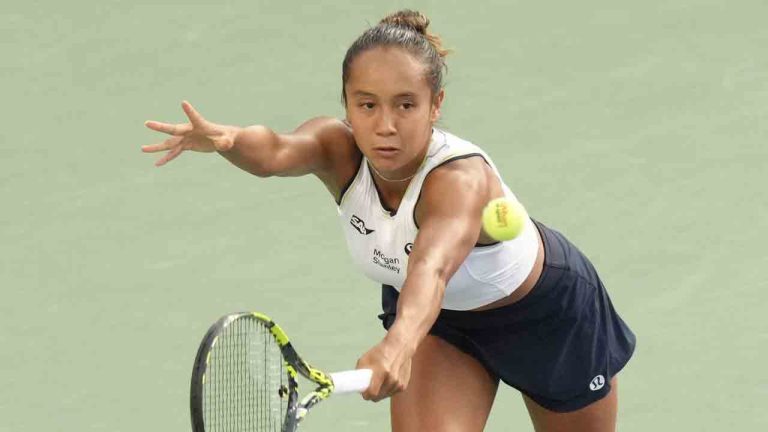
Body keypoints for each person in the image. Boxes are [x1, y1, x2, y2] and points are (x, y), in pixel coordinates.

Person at [142, 9, 635, 432]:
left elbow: (433, 269)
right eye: (367, 105)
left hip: (546, 318)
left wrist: (398, 343)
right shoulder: (336, 150)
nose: (384, 126)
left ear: (435, 105)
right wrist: (229, 141)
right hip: (443, 327)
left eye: (405, 105)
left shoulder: (459, 180)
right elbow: (273, 151)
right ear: (347, 106)